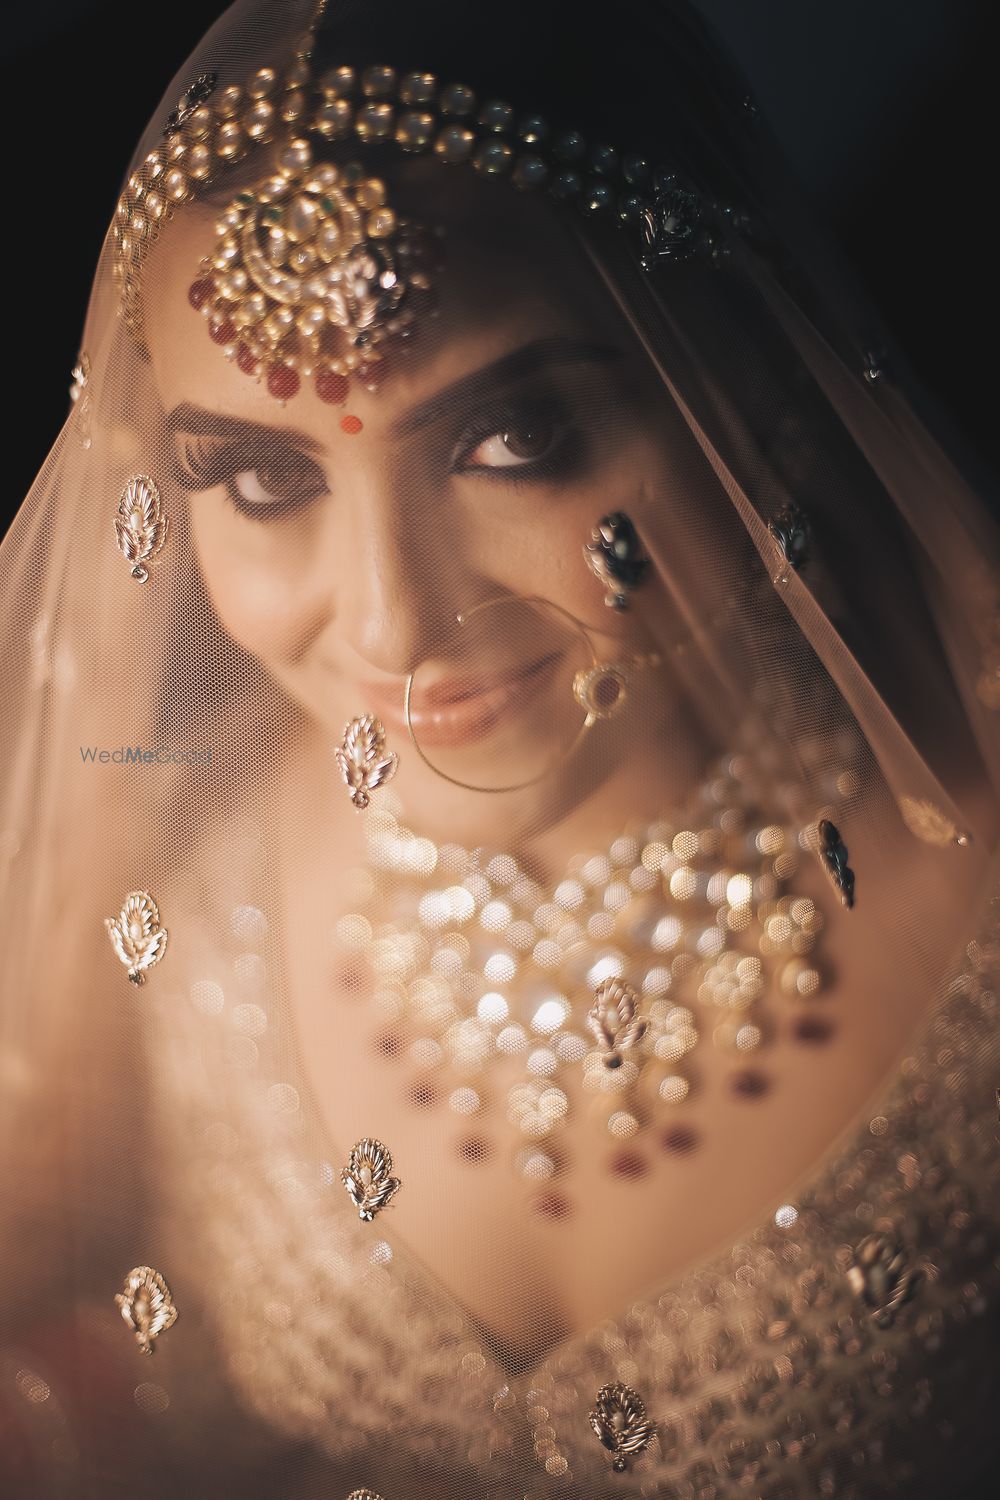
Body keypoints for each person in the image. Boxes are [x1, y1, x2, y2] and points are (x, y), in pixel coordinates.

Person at [1, 0, 998, 1495]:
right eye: (266, 477)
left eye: (515, 440)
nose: (400, 621)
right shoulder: (161, 897)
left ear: (745, 384)